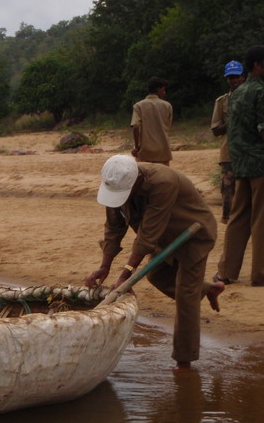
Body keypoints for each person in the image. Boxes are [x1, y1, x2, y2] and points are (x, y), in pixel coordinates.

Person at [84, 155, 225, 369]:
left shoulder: (163, 182)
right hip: (163, 239)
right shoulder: (116, 181)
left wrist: (124, 278)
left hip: (192, 235)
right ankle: (209, 289)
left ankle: (184, 362)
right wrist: (104, 266)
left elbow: (147, 236)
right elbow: (114, 228)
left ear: (137, 180)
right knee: (157, 276)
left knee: (186, 296)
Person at [215, 45, 264, 287]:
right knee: (260, 219)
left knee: (238, 217)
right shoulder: (261, 92)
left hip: (240, 164)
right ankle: (260, 274)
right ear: (257, 65)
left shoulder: (237, 94)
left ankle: (226, 272)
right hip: (260, 165)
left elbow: (231, 132)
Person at [210, 60, 246, 223]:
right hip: (228, 154)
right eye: (231, 77)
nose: (234, 80)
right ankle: (229, 220)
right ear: (227, 80)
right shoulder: (221, 102)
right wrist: (232, 121)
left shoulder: (254, 96)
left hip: (249, 153)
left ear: (243, 77)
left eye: (236, 77)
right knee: (228, 192)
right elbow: (216, 130)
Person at [131, 77, 173, 165]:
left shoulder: (138, 106)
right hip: (163, 150)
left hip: (145, 152)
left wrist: (137, 146)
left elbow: (135, 126)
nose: (164, 92)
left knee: (146, 177)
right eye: (163, 90)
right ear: (159, 89)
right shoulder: (167, 106)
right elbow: (168, 127)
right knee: (163, 177)